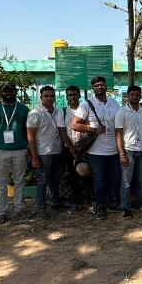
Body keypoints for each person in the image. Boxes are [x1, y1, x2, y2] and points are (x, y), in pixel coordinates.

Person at [73, 76, 121, 219]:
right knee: (99, 180)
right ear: (93, 88)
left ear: (107, 86)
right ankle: (100, 206)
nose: (100, 87)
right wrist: (93, 130)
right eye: (96, 86)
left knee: (115, 178)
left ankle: (114, 202)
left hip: (114, 150)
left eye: (102, 85)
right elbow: (74, 125)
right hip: (95, 152)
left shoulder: (114, 103)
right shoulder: (86, 104)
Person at [0, 82, 30, 224]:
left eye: (11, 90)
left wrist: (28, 149)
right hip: (0, 151)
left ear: (15, 92)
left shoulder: (23, 109)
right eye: (5, 91)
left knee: (19, 181)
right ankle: (2, 212)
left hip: (20, 150)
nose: (8, 93)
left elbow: (27, 131)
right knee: (2, 183)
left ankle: (20, 209)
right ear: (1, 92)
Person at [27, 86, 71, 219]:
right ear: (41, 97)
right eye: (46, 96)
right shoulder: (35, 113)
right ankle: (41, 209)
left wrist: (69, 147)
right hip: (43, 152)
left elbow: (62, 131)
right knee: (42, 181)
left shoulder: (58, 111)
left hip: (57, 150)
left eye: (52, 96)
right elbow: (30, 136)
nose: (49, 98)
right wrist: (34, 156)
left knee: (54, 179)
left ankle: (55, 202)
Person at [115, 85, 142, 217]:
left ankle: (139, 203)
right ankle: (125, 206)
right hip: (128, 151)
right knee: (126, 181)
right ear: (128, 96)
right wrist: (122, 154)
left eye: (137, 94)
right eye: (132, 95)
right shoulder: (121, 112)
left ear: (140, 96)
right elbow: (118, 134)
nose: (134, 97)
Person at [62, 85, 89, 214]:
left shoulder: (85, 109)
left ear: (79, 95)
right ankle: (76, 202)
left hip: (86, 148)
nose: (72, 97)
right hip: (70, 149)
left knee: (88, 174)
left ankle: (91, 200)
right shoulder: (62, 112)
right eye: (70, 95)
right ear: (66, 96)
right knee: (73, 177)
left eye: (74, 94)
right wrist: (72, 150)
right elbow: (62, 132)